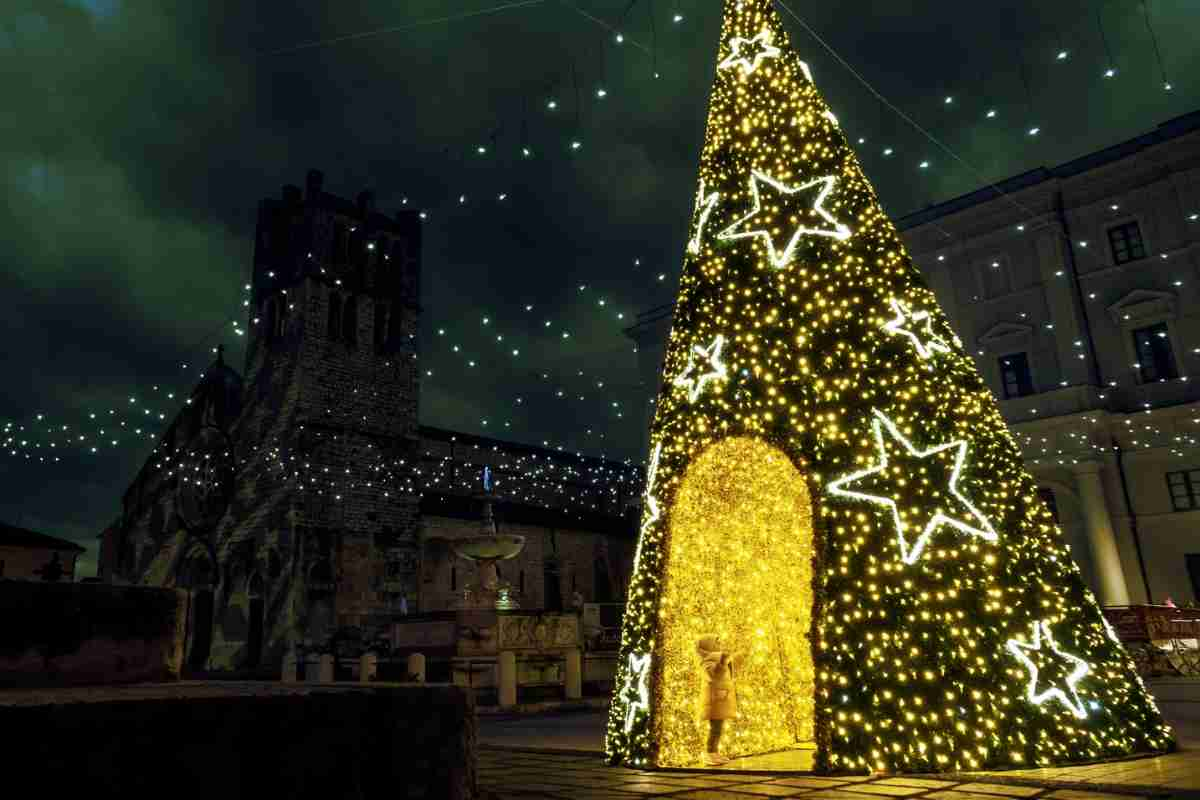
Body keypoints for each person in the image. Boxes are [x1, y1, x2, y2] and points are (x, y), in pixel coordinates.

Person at [697, 635, 745, 766]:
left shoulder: (718, 658)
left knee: (718, 728)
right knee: (715, 728)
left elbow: (729, 672)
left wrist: (736, 657)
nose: (719, 645)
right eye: (716, 643)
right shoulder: (707, 661)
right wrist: (722, 662)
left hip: (721, 699)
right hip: (714, 701)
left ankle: (714, 752)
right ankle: (709, 753)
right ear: (709, 646)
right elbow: (714, 674)